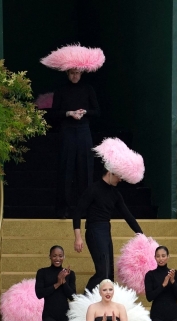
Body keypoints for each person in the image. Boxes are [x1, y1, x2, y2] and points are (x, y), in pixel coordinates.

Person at [51, 68, 101, 216]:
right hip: (67, 130)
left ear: (81, 74)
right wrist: (69, 113)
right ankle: (63, 209)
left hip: (84, 130)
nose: (75, 75)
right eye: (72, 73)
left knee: (85, 169)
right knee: (66, 169)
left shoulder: (88, 89)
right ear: (67, 74)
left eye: (77, 73)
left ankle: (84, 208)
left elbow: (97, 111)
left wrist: (84, 112)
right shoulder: (61, 90)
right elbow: (53, 114)